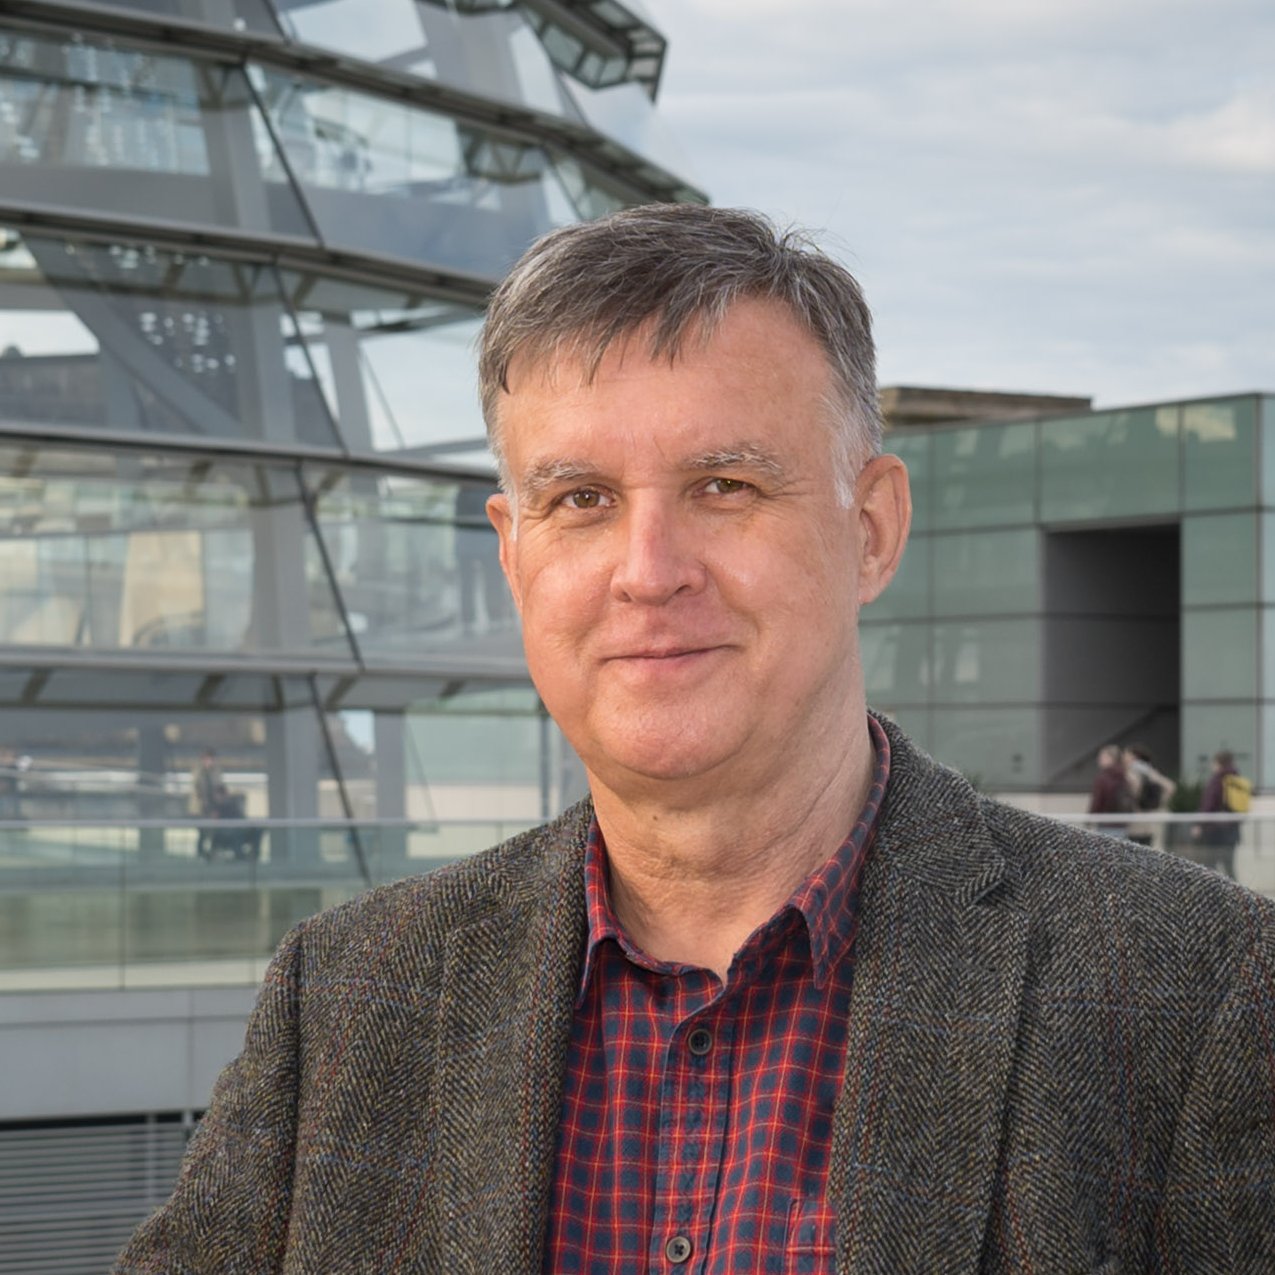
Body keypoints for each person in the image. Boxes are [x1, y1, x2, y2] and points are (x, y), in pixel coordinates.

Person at [115, 206, 1275, 1273]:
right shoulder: (347, 1001)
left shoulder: (1196, 996)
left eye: (723, 485)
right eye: (581, 500)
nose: (649, 572)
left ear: (872, 530)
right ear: (513, 555)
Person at [1194, 748, 1248, 877]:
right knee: (1229, 866)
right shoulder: (1237, 780)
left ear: (1218, 763)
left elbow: (1208, 805)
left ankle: (1211, 890)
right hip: (1233, 830)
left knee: (1210, 866)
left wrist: (1199, 824)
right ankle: (1235, 889)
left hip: (1215, 831)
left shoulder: (1217, 780)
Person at [1123, 743, 1176, 849]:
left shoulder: (1130, 773)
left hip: (1135, 821)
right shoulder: (1150, 771)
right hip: (1149, 821)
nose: (1124, 757)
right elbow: (1171, 788)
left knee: (1133, 852)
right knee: (1147, 851)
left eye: (1126, 754)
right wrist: (1159, 804)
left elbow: (1134, 792)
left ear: (1133, 756)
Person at [1085, 743, 1134, 838]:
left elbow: (1097, 802)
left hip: (1105, 823)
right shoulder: (1125, 776)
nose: (1099, 760)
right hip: (1122, 824)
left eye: (1102, 757)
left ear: (1111, 758)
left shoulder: (1102, 779)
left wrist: (1089, 819)